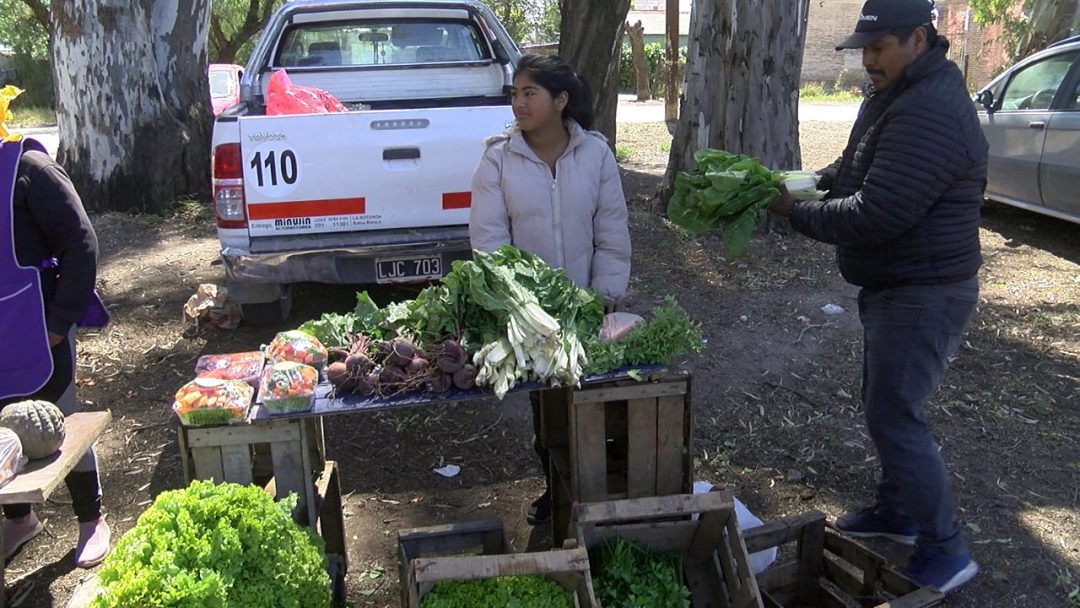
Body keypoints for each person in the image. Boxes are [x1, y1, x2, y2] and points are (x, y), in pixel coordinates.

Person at [768, 0, 985, 594]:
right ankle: (899, 512)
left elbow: (877, 213)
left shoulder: (931, 109)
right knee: (884, 402)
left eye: (878, 47)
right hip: (898, 283)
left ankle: (947, 549)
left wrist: (795, 212)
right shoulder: (895, 92)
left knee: (895, 413)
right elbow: (857, 166)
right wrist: (812, 181)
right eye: (863, 49)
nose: (868, 60)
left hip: (926, 288)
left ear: (918, 38)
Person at [469, 54, 631, 525]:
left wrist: (605, 292)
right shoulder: (498, 159)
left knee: (599, 402)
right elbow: (490, 244)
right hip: (532, 316)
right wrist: (523, 307)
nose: (518, 103)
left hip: (591, 303)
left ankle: (603, 488)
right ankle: (556, 489)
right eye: (515, 94)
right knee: (550, 411)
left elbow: (612, 231)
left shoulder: (596, 154)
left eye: (529, 93)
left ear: (560, 101)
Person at [0, 100, 111, 568]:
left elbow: (80, 243)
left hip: (38, 326)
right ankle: (20, 519)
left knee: (57, 424)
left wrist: (58, 322)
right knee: (5, 432)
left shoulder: (30, 169)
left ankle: (92, 518)